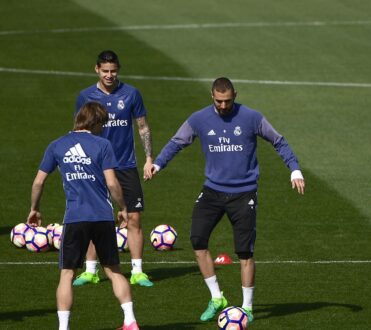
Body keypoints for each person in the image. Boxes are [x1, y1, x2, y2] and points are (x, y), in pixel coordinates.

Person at [147, 77, 305, 323]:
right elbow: (177, 142)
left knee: (244, 252)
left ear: (235, 95)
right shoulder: (199, 119)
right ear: (212, 96)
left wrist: (294, 169)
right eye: (219, 101)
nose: (223, 106)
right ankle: (216, 297)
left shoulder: (251, 117)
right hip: (212, 191)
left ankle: (247, 308)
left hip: (244, 193)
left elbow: (278, 141)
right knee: (198, 241)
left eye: (228, 101)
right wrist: (158, 163)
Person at [27, 102, 140, 330]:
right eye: (103, 124)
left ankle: (63, 327)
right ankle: (130, 322)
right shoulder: (103, 145)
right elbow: (112, 182)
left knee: (67, 274)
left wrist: (34, 209)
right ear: (96, 122)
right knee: (113, 270)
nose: (103, 129)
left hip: (75, 217)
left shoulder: (57, 145)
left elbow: (39, 181)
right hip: (102, 217)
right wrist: (123, 208)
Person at [73, 50, 155, 287]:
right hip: (95, 166)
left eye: (113, 71)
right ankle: (90, 270)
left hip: (125, 165)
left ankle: (137, 271)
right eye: (105, 71)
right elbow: (79, 129)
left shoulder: (131, 94)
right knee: (92, 217)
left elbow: (142, 127)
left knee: (134, 217)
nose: (109, 75)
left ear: (118, 69)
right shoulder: (85, 96)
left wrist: (149, 158)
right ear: (96, 69)